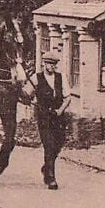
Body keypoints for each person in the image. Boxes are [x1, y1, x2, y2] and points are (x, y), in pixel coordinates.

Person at [35, 50, 68, 190]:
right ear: (44, 64)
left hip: (58, 116)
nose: (53, 67)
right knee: (48, 145)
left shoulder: (61, 77)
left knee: (58, 144)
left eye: (55, 64)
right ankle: (51, 178)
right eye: (50, 64)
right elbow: (27, 94)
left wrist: (61, 110)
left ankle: (46, 167)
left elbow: (67, 97)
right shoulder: (36, 78)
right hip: (44, 117)